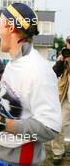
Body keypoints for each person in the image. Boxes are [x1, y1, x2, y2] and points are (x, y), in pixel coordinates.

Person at [0, 3, 62, 165]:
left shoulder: (38, 70)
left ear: (11, 27)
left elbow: (50, 129)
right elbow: (9, 95)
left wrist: (0, 123)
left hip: (18, 161)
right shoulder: (17, 61)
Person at [51, 36, 70, 165]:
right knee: (59, 124)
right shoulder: (63, 57)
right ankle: (58, 152)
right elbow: (54, 73)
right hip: (65, 97)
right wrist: (63, 60)